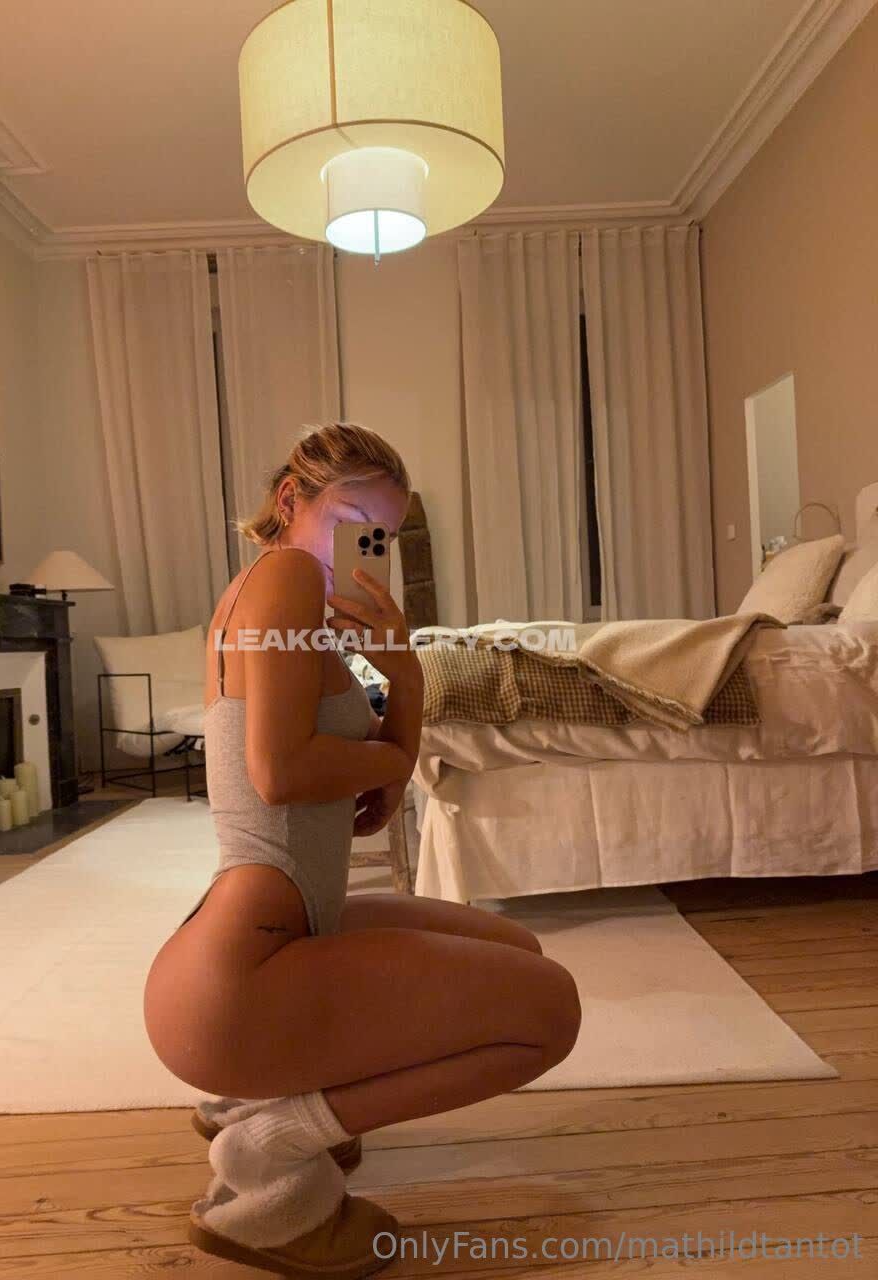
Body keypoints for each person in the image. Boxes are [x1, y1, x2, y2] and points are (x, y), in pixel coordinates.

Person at [143, 422, 582, 1277]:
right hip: (241, 977)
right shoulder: (284, 577)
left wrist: (401, 676)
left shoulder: (298, 599)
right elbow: (280, 772)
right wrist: (390, 756)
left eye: (380, 532)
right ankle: (270, 1144)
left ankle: (275, 1096)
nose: (362, 548)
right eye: (350, 521)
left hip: (271, 940)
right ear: (289, 500)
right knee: (549, 1014)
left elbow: (355, 753)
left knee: (519, 956)